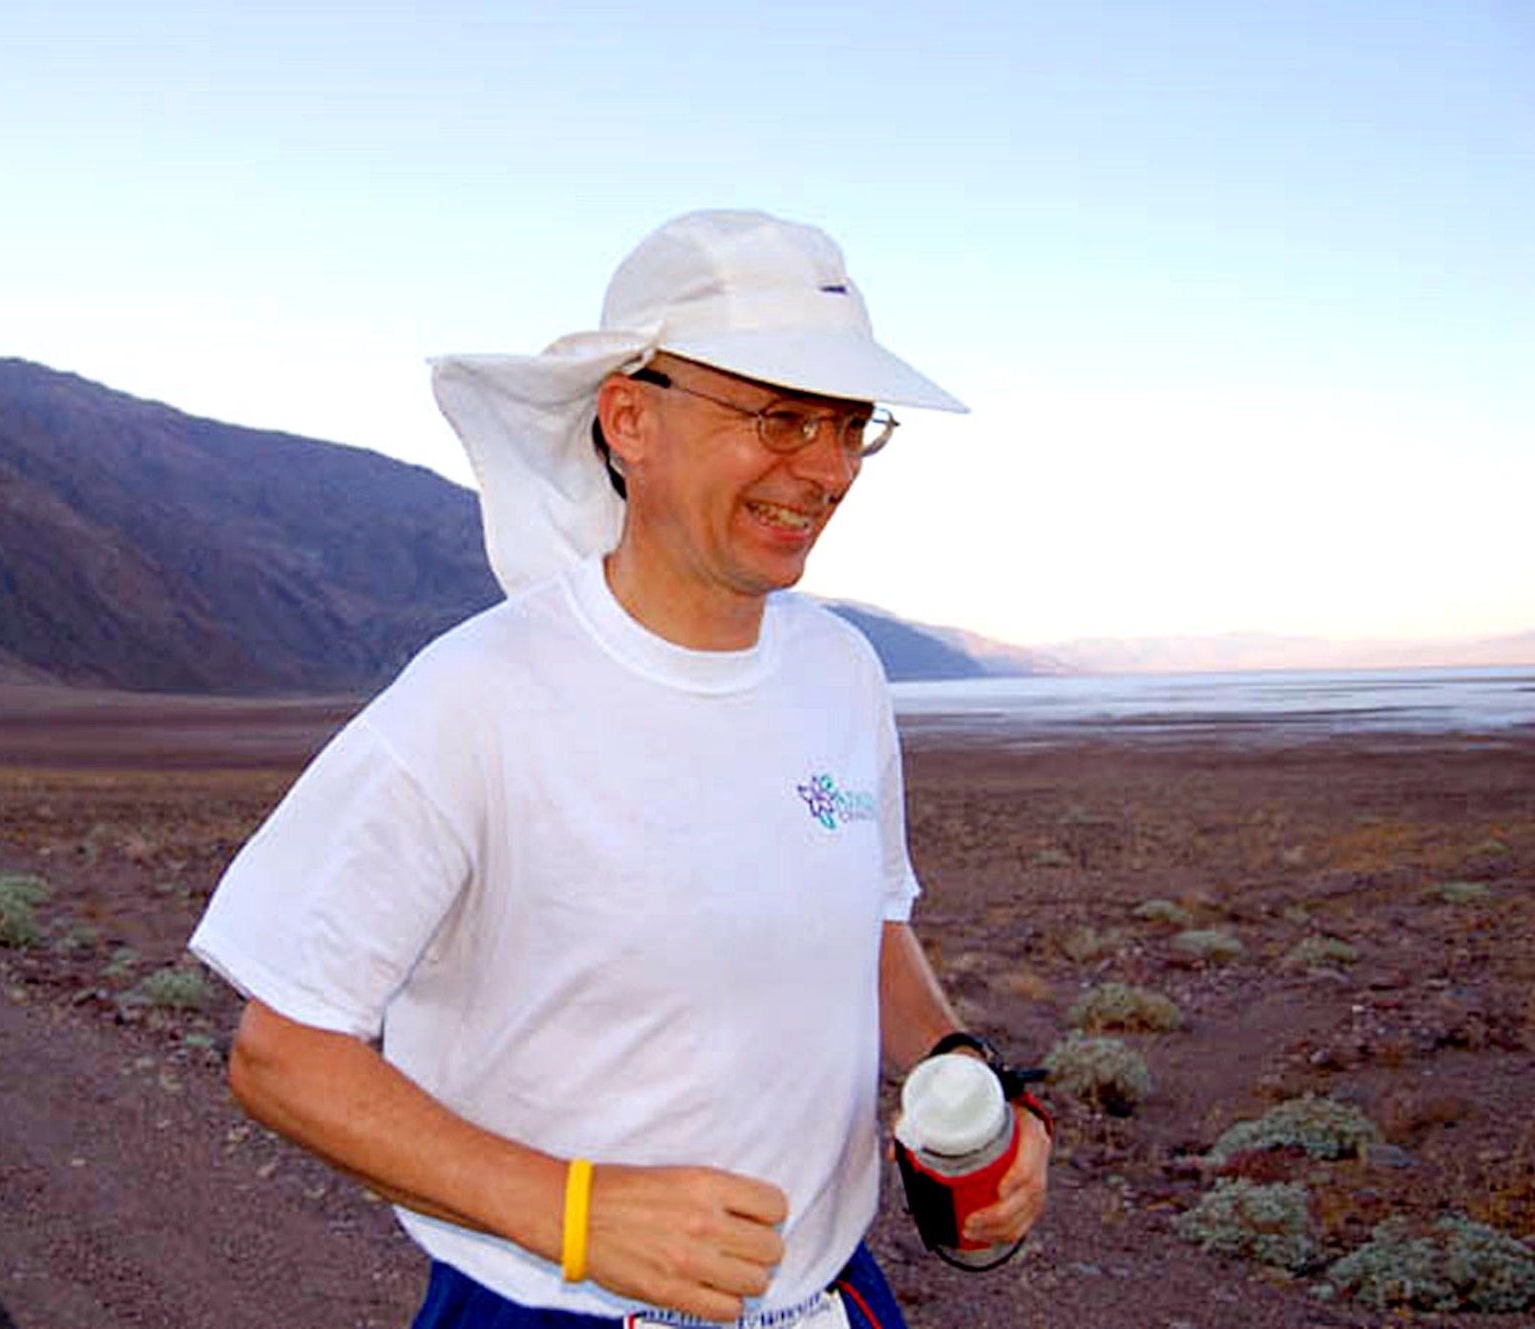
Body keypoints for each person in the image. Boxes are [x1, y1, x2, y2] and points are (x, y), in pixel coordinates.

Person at [188, 210, 1050, 1329]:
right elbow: (281, 1054)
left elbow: (869, 927)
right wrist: (574, 1212)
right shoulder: (479, 697)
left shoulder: (839, 672)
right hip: (554, 1306)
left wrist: (960, 1079)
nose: (825, 469)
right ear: (629, 419)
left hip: (824, 1295)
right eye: (778, 417)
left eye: (847, 426)